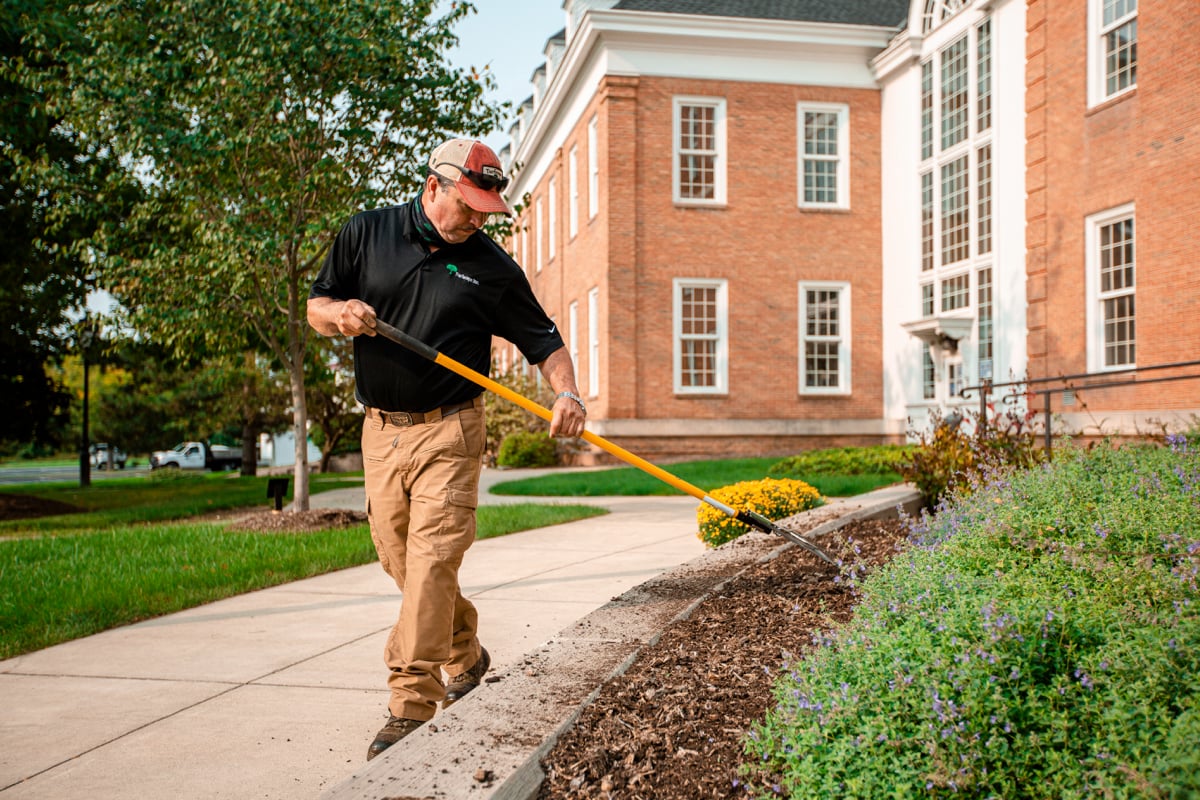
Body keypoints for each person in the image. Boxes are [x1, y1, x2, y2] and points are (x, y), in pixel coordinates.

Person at [307, 138, 587, 760]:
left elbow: (546, 341)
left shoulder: (491, 267)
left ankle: (410, 702)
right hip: (379, 431)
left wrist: (569, 394)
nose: (479, 218)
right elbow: (315, 308)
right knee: (399, 560)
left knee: (433, 560)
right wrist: (341, 314)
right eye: (470, 205)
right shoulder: (365, 233)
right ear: (434, 187)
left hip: (452, 430)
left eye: (489, 208)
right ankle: (465, 651)